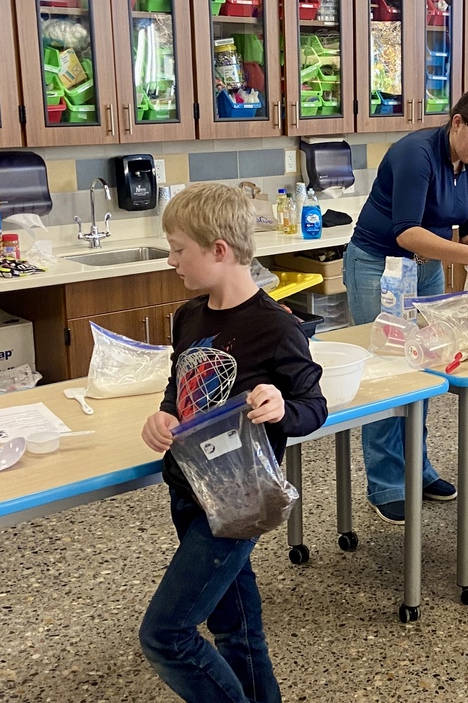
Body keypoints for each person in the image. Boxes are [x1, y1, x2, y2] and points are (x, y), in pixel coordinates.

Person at [139, 183, 328, 703]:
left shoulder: (276, 327)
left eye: (179, 249)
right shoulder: (189, 317)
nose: (171, 260)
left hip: (238, 502)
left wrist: (282, 406)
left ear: (218, 250)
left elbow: (314, 406)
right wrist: (161, 416)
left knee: (166, 636)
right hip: (187, 490)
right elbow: (178, 391)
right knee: (238, 633)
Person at [344, 88, 468, 524]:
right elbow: (406, 232)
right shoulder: (415, 153)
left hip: (427, 267)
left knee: (424, 364)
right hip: (377, 264)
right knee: (386, 369)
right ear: (456, 123)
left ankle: (419, 467)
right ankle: (385, 482)